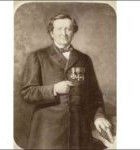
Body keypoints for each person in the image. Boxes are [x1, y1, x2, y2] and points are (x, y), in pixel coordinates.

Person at [21, 13, 111, 149]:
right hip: (48, 133)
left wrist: (98, 116)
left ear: (74, 31)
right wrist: (54, 89)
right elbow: (27, 93)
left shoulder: (84, 59)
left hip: (79, 132)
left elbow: (95, 96)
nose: (64, 33)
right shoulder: (37, 57)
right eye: (59, 29)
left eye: (68, 29)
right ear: (51, 33)